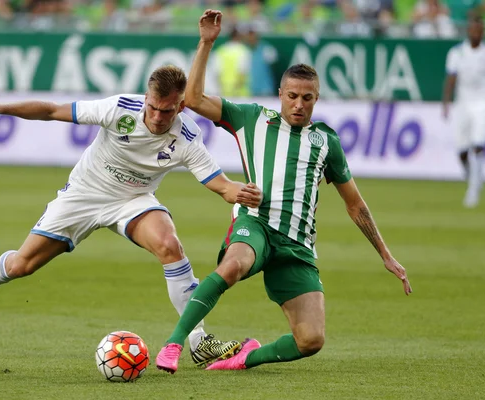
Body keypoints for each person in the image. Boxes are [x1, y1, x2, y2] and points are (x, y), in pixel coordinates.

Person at [0, 65, 263, 367]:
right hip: (84, 194)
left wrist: (242, 191)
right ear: (145, 97)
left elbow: (222, 186)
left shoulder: (187, 137)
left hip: (134, 200)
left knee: (170, 245)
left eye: (167, 111)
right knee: (22, 265)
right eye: (153, 107)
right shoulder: (118, 108)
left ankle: (199, 341)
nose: (157, 117)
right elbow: (51, 110)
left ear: (181, 106)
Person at [155, 10, 412, 374]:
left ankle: (244, 360)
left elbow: (355, 205)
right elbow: (193, 99)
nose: (298, 104)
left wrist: (386, 255)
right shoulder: (251, 118)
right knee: (233, 264)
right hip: (256, 223)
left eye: (307, 98)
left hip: (296, 245)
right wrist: (206, 42)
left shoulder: (327, 143)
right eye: (292, 96)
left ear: (316, 98)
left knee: (311, 340)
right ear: (280, 94)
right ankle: (174, 345)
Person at [442, 16, 485, 208]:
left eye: (479, 30)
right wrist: (445, 102)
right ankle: (473, 176)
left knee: (478, 144)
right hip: (462, 103)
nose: (476, 33)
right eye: (473, 30)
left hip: (482, 102)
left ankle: (473, 189)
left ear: (483, 33)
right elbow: (451, 79)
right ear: (468, 31)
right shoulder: (457, 53)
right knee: (462, 151)